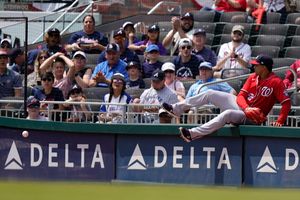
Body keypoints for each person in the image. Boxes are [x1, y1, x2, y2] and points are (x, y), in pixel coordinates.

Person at [162, 55, 291, 142]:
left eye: (257, 65)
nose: (254, 66)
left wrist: (280, 120)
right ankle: (176, 109)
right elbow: (240, 96)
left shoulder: (276, 82)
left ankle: (192, 134)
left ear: (264, 67)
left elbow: (286, 103)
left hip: (254, 118)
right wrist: (246, 108)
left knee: (227, 114)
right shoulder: (252, 77)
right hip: (244, 109)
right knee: (210, 93)